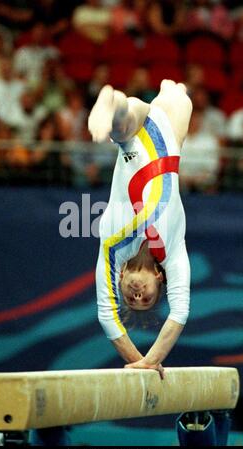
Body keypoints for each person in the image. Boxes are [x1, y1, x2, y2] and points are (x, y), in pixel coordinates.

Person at [88, 79, 192, 377]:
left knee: (123, 131)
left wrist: (139, 363)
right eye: (146, 298)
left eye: (130, 298)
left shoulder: (113, 250)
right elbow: (180, 313)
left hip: (132, 142)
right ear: (160, 279)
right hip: (170, 131)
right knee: (178, 96)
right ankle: (165, 89)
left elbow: (107, 316)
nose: (136, 295)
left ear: (120, 278)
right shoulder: (173, 252)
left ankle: (115, 102)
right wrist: (150, 361)